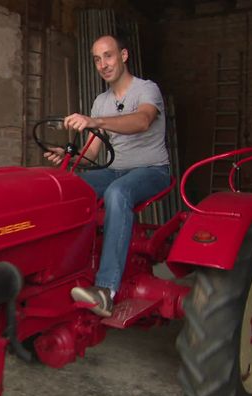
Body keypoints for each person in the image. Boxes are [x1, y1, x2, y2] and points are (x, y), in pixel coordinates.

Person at [43, 35, 170, 317]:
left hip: (151, 170)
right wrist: (69, 158)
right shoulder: (101, 101)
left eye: (108, 56)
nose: (103, 64)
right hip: (114, 170)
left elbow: (142, 121)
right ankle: (60, 272)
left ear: (123, 55)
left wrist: (96, 121)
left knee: (118, 193)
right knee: (70, 187)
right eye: (97, 59)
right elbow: (92, 153)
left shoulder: (147, 90)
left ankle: (105, 289)